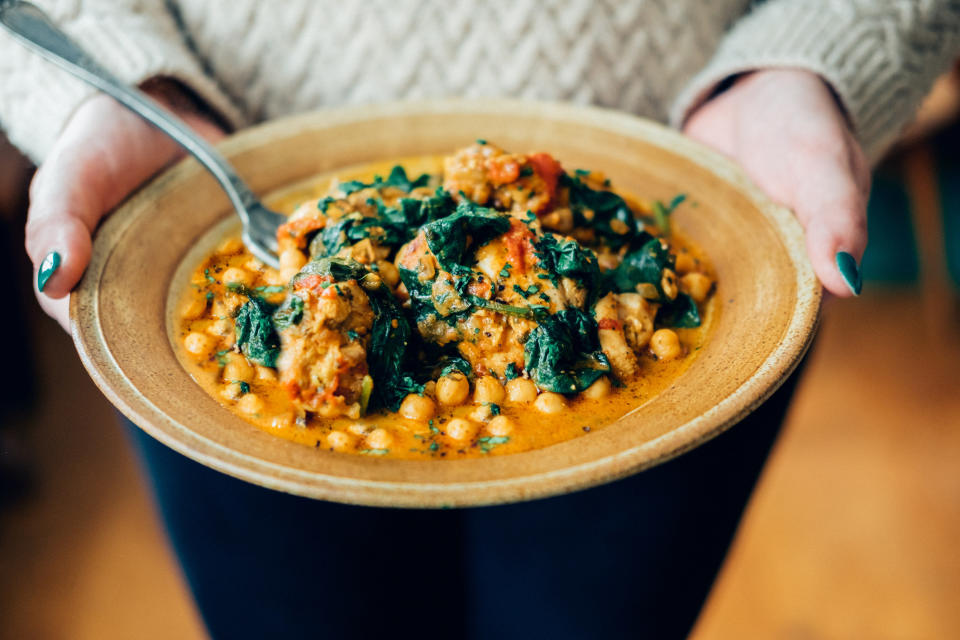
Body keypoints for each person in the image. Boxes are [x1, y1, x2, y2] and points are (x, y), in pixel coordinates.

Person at [2, 1, 958, 638]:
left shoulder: (634, 293)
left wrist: (822, 48)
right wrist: (115, 84)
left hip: (695, 182)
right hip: (206, 192)